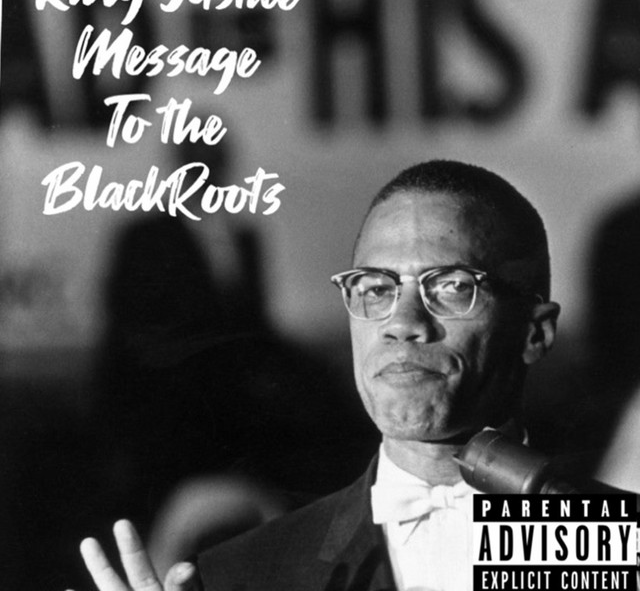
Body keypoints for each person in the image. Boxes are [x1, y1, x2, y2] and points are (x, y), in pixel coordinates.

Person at [76, 160, 560, 591]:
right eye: (376, 288)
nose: (402, 323)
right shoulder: (239, 575)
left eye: (451, 286)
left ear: (534, 333)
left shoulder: (604, 544)